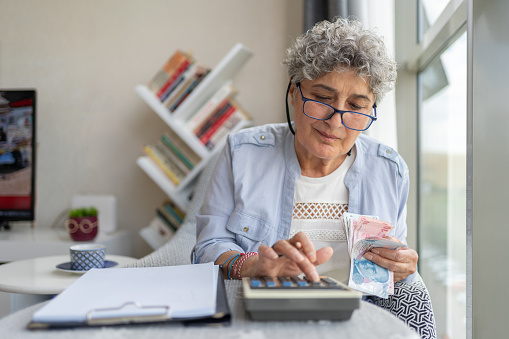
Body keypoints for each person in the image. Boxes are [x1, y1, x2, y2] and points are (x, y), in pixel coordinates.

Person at [192, 17, 418, 284]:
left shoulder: (390, 170)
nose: (335, 122)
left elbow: (394, 263)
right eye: (322, 98)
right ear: (293, 91)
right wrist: (252, 265)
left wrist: (401, 266)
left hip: (357, 314)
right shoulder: (242, 154)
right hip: (266, 309)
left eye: (356, 107)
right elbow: (208, 247)